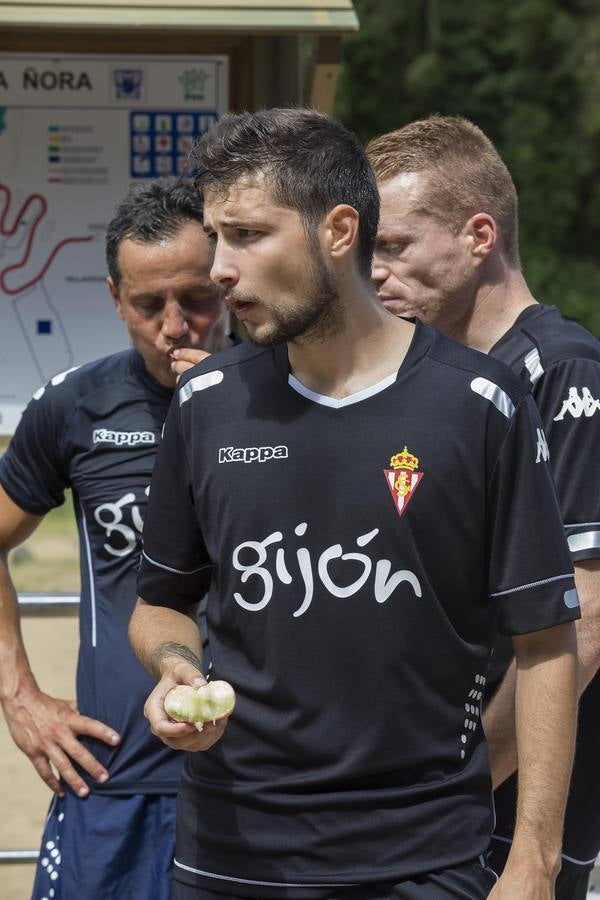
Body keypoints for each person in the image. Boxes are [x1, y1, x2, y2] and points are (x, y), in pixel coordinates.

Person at [129, 107, 579, 900]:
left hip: (426, 860)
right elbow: (161, 604)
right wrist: (174, 670)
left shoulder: (480, 404)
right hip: (232, 855)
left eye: (247, 235)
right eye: (216, 237)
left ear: (339, 230)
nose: (220, 269)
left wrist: (533, 863)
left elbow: (548, 642)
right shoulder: (204, 403)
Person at [367, 114, 600, 900]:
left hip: (509, 812)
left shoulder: (562, 371)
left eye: (393, 246)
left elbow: (586, 612)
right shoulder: (445, 382)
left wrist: (467, 785)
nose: (372, 272)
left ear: (477, 235)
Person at [0, 176, 231, 900]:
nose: (174, 326)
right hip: (116, 778)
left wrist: (230, 407)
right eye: (147, 304)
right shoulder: (77, 405)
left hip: (264, 784)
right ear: (113, 299)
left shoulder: (291, 398)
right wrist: (20, 696)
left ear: (229, 283)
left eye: (197, 298)